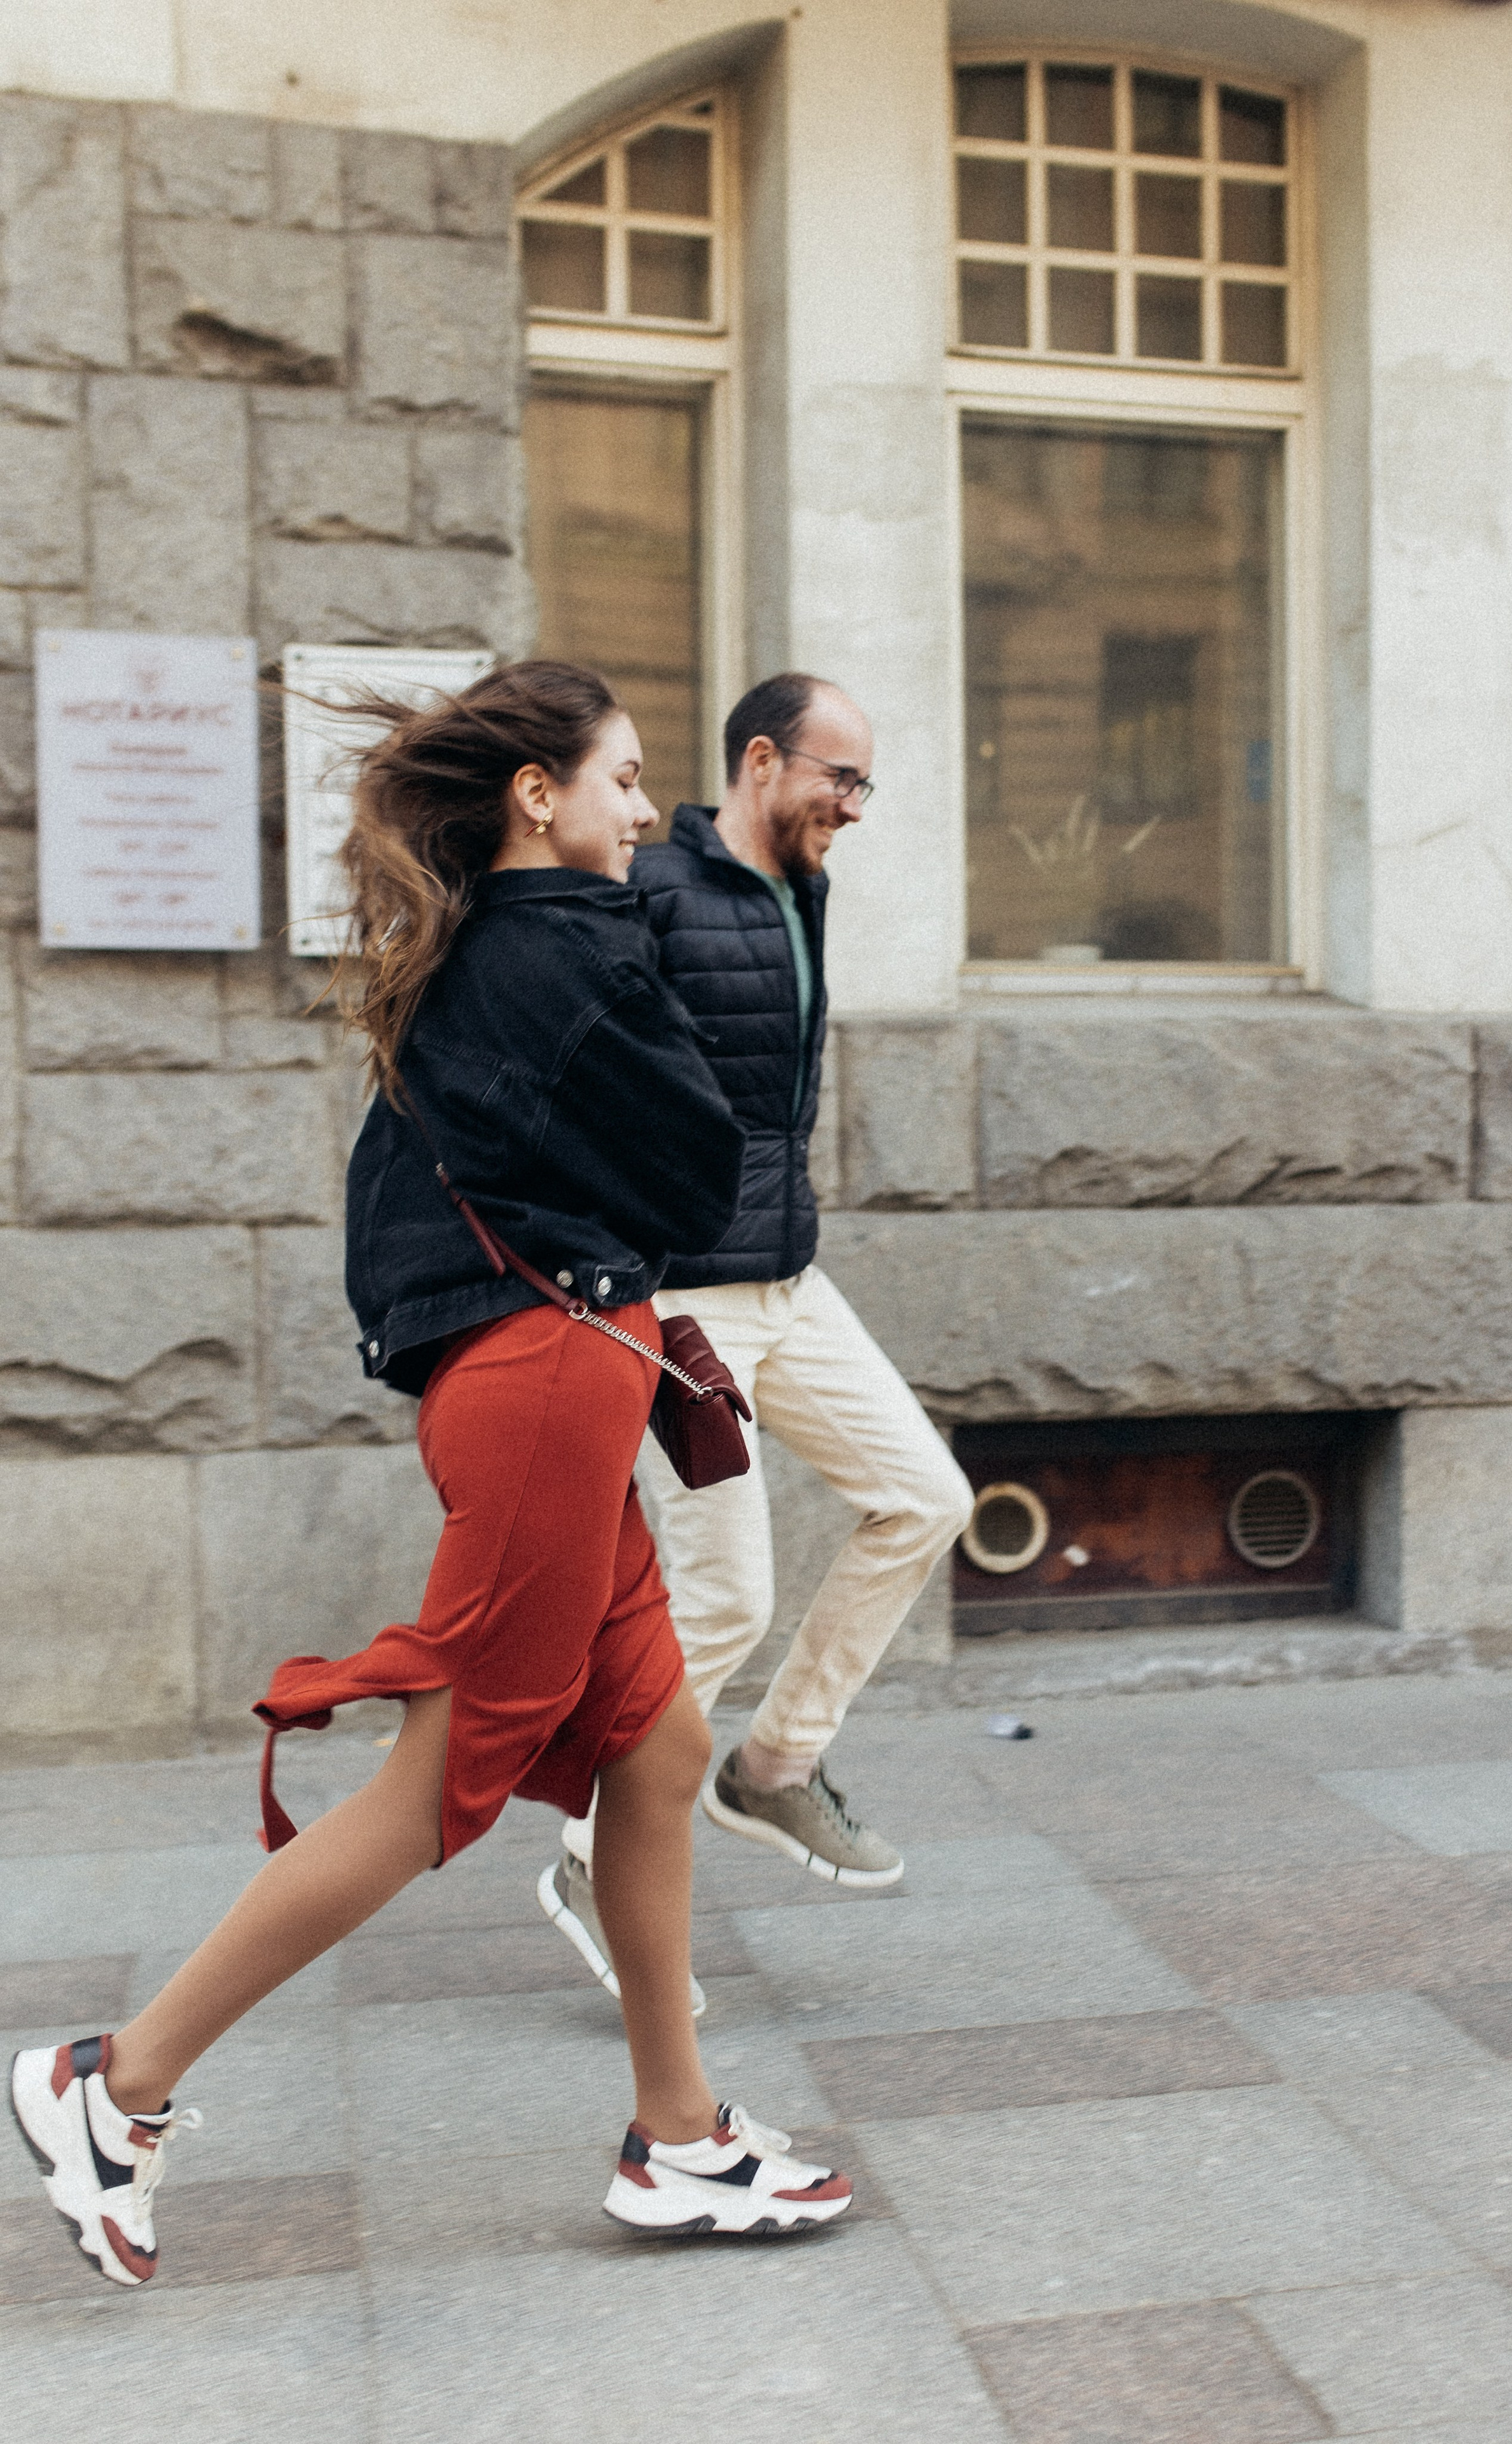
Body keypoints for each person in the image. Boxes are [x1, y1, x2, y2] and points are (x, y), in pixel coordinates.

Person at [8, 662, 852, 2286]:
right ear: (536, 794)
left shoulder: (490, 943)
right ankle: (112, 2084)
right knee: (440, 1784)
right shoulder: (565, 950)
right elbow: (698, 1166)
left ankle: (678, 2138)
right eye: (617, 777)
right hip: (545, 1379)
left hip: (546, 1374)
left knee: (662, 1744)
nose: (636, 806)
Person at [541, 673, 972, 1997]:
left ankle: (774, 1764)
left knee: (923, 1495)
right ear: (762, 759)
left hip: (786, 1276)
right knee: (721, 1590)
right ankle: (586, 1852)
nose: (853, 805)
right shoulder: (655, 888)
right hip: (682, 1297)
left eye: (863, 784)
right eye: (837, 778)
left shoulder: (799, 886)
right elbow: (584, 1077)